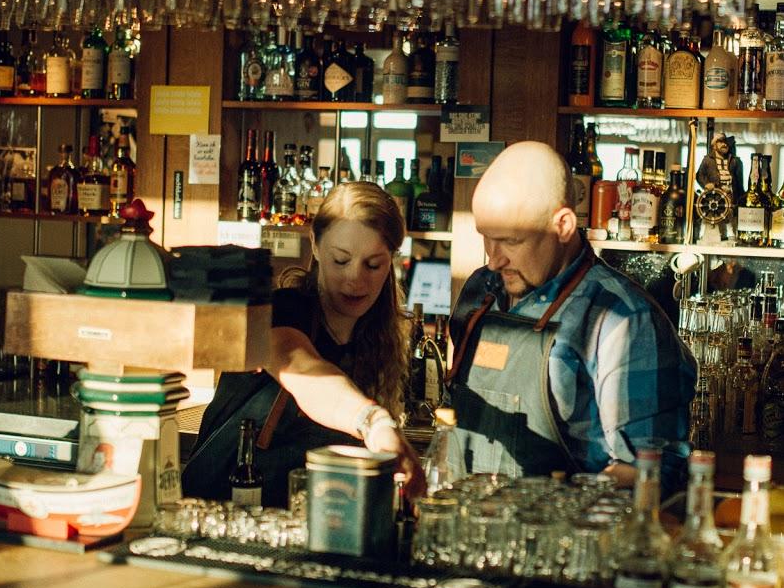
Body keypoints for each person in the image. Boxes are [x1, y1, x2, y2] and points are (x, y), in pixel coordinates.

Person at [448, 141, 696, 498]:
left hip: (559, 544)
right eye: (485, 238)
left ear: (563, 225)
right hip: (464, 534)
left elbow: (648, 470)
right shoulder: (480, 291)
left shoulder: (621, 319)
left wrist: (566, 503)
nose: (493, 259)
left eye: (509, 241)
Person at [183, 180, 425, 506]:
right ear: (315, 244)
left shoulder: (376, 338)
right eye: (341, 260)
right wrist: (375, 424)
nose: (355, 278)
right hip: (227, 512)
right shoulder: (282, 309)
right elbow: (303, 368)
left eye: (373, 264)